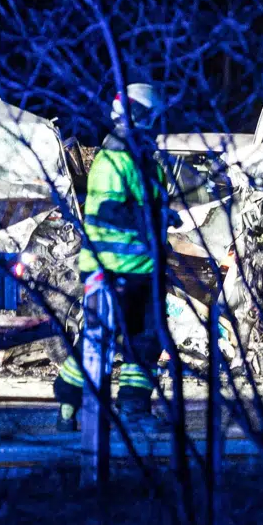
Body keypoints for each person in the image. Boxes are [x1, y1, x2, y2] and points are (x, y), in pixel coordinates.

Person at [54, 83, 168, 431]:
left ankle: (131, 408)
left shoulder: (140, 160)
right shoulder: (114, 161)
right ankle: (69, 405)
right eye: (153, 117)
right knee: (100, 340)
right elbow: (108, 213)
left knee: (143, 341)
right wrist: (150, 218)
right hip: (114, 270)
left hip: (140, 269)